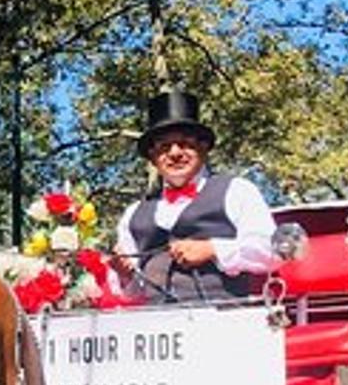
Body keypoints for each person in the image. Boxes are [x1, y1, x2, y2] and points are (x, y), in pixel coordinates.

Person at [113, 86, 280, 304]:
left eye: (185, 144)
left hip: (226, 325)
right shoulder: (133, 214)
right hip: (158, 329)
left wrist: (212, 249)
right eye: (164, 147)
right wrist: (124, 273)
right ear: (153, 157)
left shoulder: (236, 191)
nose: (175, 153)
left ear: (203, 148)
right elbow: (132, 291)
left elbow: (273, 251)